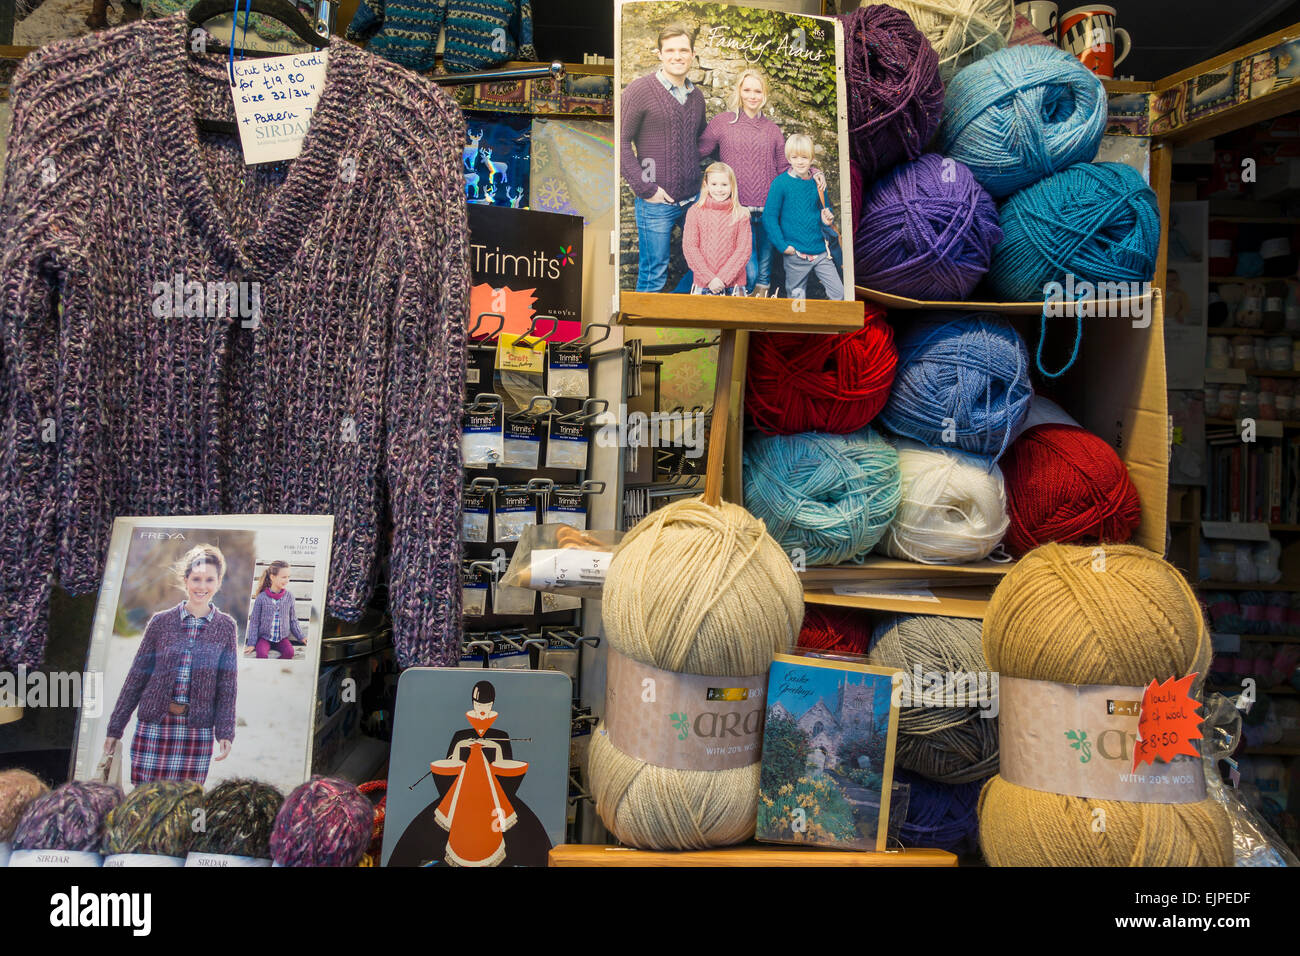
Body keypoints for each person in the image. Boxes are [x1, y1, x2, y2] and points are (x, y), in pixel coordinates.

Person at [104, 544, 238, 786]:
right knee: (146, 798)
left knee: (185, 802)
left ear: (218, 582)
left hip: (197, 731)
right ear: (186, 580)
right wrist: (115, 728)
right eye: (196, 579)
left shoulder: (226, 627)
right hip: (154, 726)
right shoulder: (160, 622)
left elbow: (227, 686)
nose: (202, 586)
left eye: (209, 579)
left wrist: (225, 732)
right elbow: (136, 678)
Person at [619, 23, 707, 293]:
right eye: (670, 50)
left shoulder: (697, 97)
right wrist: (646, 189)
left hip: (693, 200)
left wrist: (702, 180)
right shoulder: (640, 91)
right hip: (655, 201)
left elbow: (700, 141)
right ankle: (642, 335)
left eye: (683, 50)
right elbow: (621, 141)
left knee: (707, 265)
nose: (677, 56)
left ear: (692, 55)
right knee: (653, 273)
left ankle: (677, 310)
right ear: (660, 53)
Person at [698, 68, 788, 297]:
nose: (752, 95)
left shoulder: (772, 130)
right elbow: (698, 151)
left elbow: (784, 168)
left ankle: (752, 323)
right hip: (738, 211)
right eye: (747, 90)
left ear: (764, 94)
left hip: (768, 211)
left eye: (757, 91)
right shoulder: (723, 122)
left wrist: (814, 172)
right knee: (748, 271)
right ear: (739, 91)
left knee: (764, 276)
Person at [764, 134, 844, 301]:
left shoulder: (818, 182)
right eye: (795, 157)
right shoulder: (780, 184)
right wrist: (783, 246)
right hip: (796, 255)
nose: (800, 161)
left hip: (821, 252)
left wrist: (827, 218)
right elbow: (769, 217)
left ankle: (830, 326)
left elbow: (825, 209)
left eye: (804, 157)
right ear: (788, 158)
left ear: (812, 158)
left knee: (839, 294)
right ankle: (798, 327)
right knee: (797, 301)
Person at [682, 162, 751, 296]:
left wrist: (722, 279)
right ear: (706, 185)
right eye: (714, 184)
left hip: (734, 285)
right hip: (704, 283)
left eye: (724, 185)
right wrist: (710, 279)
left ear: (732, 186)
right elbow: (690, 248)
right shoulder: (695, 212)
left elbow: (743, 250)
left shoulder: (741, 214)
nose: (719, 189)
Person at [245, 560, 306, 660]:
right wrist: (251, 643)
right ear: (272, 577)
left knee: (290, 652)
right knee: (261, 654)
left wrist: (301, 636)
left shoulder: (289, 597)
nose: (287, 580)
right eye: (284, 577)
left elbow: (293, 620)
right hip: (265, 638)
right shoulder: (261, 598)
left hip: (282, 639)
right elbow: (254, 622)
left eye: (288, 577)